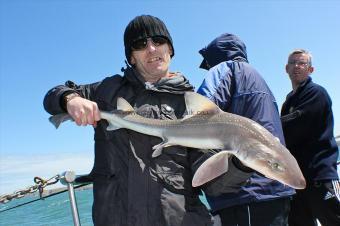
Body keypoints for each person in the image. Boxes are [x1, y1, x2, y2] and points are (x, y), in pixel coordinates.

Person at [43, 15, 213, 226]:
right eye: (141, 44)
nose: (151, 48)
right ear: (131, 57)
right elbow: (52, 96)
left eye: (158, 41)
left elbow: (216, 184)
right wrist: (69, 99)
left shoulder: (192, 105)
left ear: (170, 49)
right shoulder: (108, 90)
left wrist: (239, 163)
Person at [196, 33, 295, 226]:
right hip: (277, 190)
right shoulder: (259, 79)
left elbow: (198, 115)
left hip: (245, 192)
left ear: (216, 55)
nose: (207, 68)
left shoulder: (224, 69)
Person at [281, 49, 340, 226]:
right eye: (293, 63)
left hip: (321, 178)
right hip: (297, 181)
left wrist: (270, 126)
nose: (297, 67)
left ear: (310, 70)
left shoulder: (317, 93)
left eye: (302, 63)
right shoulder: (289, 101)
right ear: (286, 68)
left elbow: (295, 124)